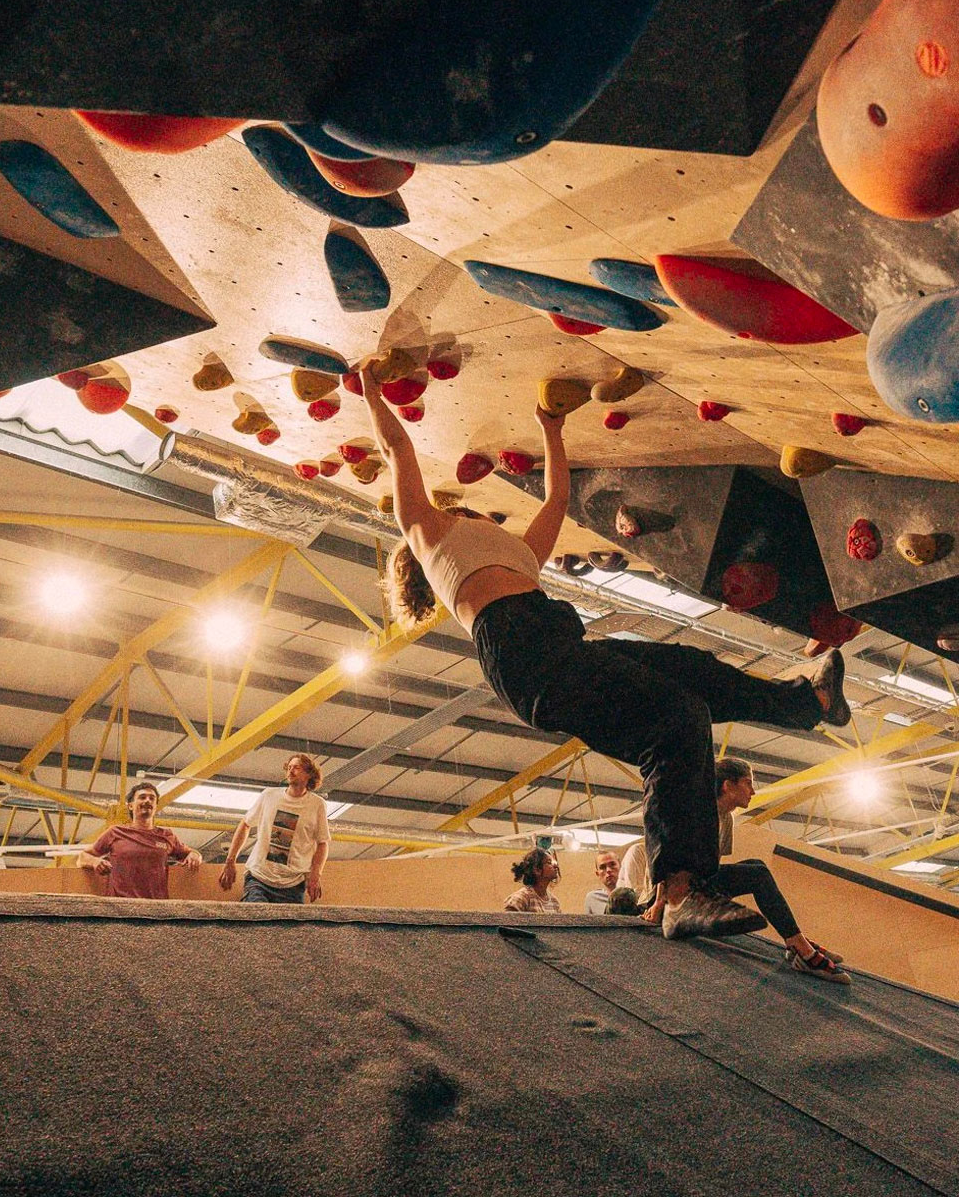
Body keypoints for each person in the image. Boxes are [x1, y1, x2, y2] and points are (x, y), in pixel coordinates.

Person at [364, 368, 851, 943]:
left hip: (565, 648)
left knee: (692, 671)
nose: (480, 512)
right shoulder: (431, 537)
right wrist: (370, 389)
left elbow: (558, 498)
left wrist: (552, 427)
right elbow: (397, 447)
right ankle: (680, 892)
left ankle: (809, 701)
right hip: (529, 664)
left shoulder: (518, 552)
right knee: (677, 718)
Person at [705, 758, 850, 982]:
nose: (753, 791)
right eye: (747, 783)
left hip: (703, 887)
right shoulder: (700, 814)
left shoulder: (726, 818)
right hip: (683, 896)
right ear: (728, 785)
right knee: (757, 874)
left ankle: (794, 940)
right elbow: (672, 864)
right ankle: (800, 948)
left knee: (756, 865)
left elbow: (713, 867)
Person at [218, 754, 331, 904]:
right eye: (289, 767)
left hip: (292, 883)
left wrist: (315, 875)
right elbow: (245, 824)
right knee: (257, 917)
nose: (290, 771)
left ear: (309, 774)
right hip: (259, 877)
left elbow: (323, 843)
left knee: (287, 927)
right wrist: (230, 860)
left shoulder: (317, 805)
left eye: (296, 768)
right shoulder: (269, 796)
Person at [78, 780, 199, 899]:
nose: (147, 800)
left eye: (152, 798)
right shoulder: (115, 832)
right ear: (130, 805)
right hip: (119, 909)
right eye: (142, 797)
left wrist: (194, 855)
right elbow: (82, 857)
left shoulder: (166, 836)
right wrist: (95, 862)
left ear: (156, 806)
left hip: (156, 909)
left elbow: (192, 854)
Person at [505, 846, 563, 913]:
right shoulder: (521, 898)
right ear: (537, 870)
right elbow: (507, 921)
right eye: (549, 862)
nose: (556, 866)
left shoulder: (554, 903)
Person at [585, 850, 621, 914]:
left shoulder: (634, 895)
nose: (608, 870)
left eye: (612, 864)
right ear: (598, 874)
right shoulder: (592, 899)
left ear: (621, 867)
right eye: (603, 867)